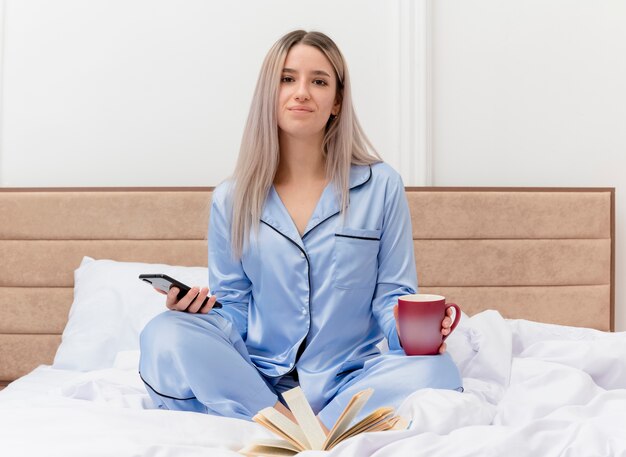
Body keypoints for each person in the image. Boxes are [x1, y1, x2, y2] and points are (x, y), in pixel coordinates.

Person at [139, 30, 462, 429]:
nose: (302, 92)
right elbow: (236, 307)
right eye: (287, 79)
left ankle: (298, 428)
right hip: (256, 378)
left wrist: (417, 334)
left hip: (347, 381)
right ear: (269, 93)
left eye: (319, 81)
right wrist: (199, 317)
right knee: (165, 331)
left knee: (439, 371)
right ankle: (297, 427)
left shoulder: (381, 186)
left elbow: (391, 295)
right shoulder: (231, 198)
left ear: (337, 101)